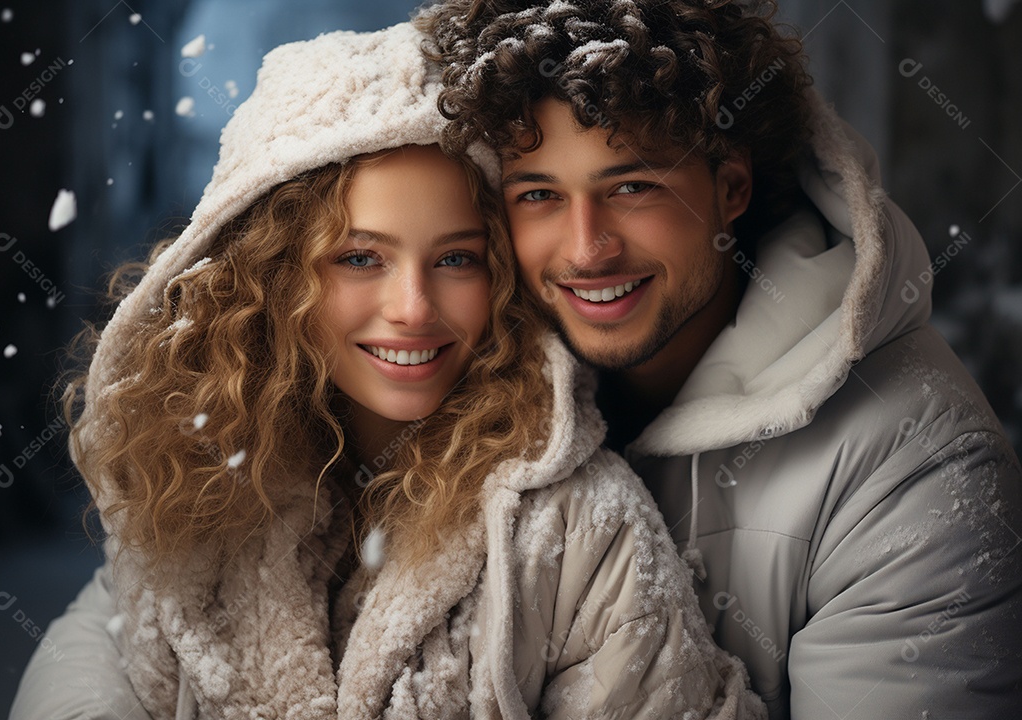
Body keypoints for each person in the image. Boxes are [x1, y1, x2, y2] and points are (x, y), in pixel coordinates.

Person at [9, 22, 766, 720]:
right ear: (273, 277)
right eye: (360, 258)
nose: (412, 307)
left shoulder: (579, 532)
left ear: (499, 275)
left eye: (456, 259)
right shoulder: (197, 493)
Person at [417, 0, 1022, 717]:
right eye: (540, 194)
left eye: (632, 187)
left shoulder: (918, 468)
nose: (586, 248)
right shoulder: (454, 390)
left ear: (731, 186)